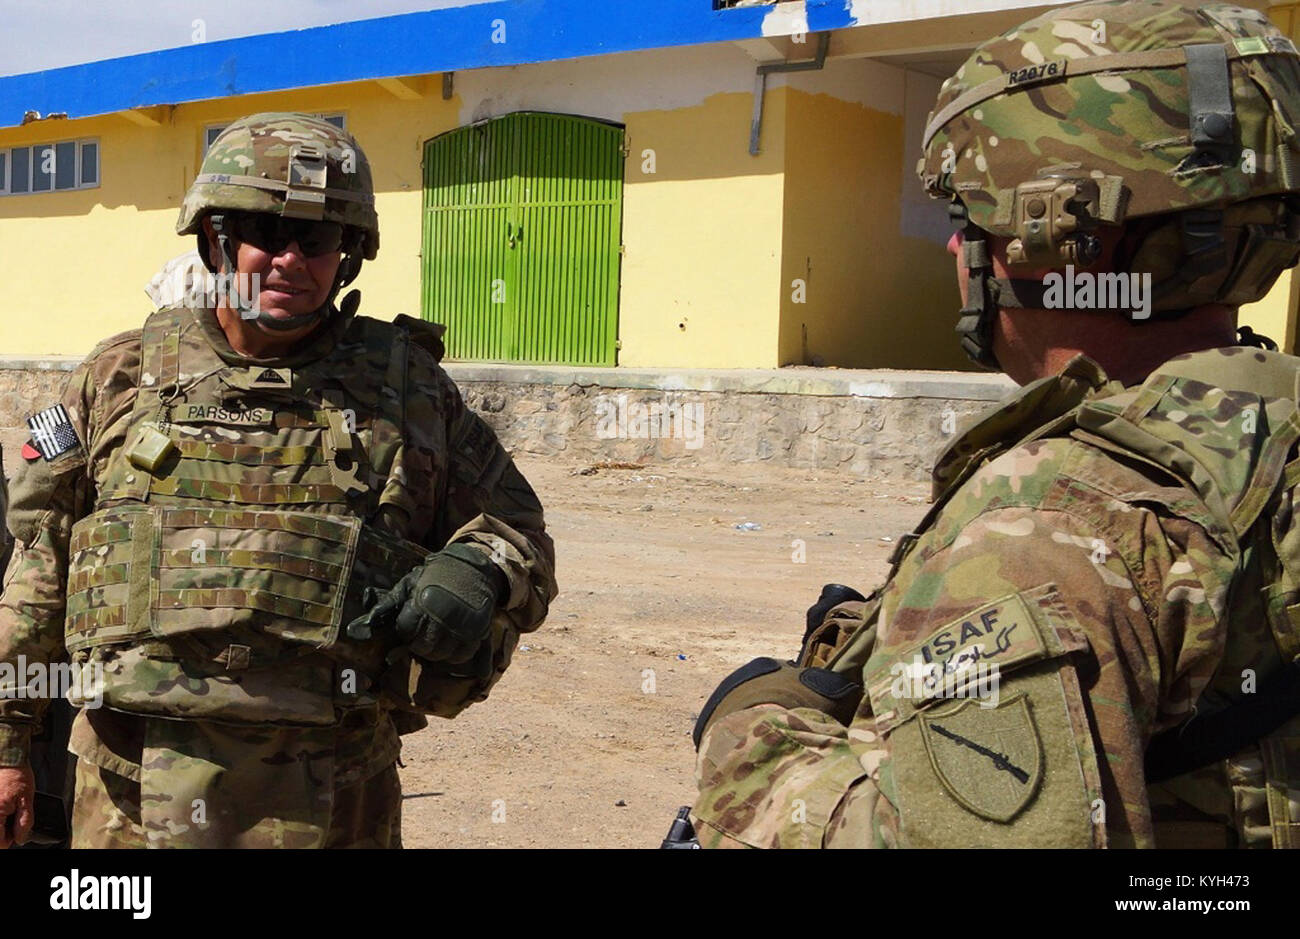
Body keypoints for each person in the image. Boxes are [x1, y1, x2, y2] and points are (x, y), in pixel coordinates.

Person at [688, 0, 1300, 848]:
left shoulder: (1052, 525)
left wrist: (754, 738)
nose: (953, 250)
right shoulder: (1271, 431)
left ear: (1062, 238)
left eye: (967, 219)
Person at [0, 112, 557, 848]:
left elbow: (520, 534)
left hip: (338, 791)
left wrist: (479, 571)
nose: (291, 260)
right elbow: (41, 562)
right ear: (215, 238)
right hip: (131, 789)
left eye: (319, 239)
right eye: (266, 231)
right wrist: (8, 742)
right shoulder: (118, 377)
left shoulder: (409, 391)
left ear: (348, 253)